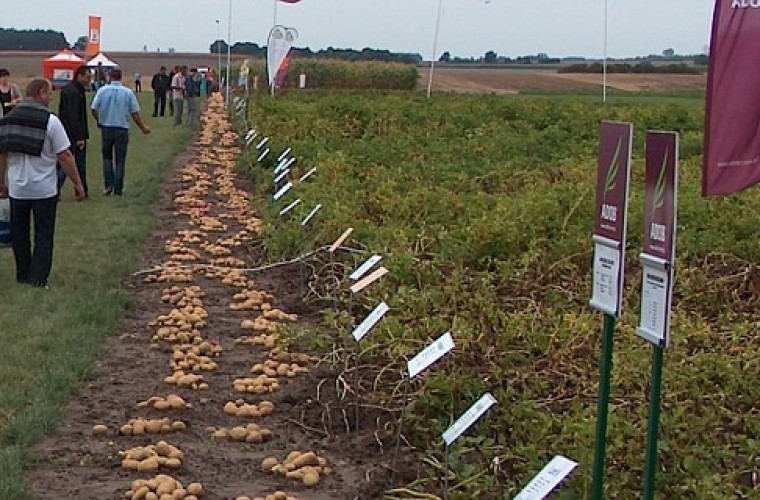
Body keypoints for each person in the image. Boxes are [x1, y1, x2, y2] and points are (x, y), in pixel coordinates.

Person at [0, 78, 85, 288]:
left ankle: (23, 274)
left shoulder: (8, 120)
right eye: (49, 93)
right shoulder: (51, 121)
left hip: (18, 188)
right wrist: (77, 182)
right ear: (40, 93)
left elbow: (2, 155)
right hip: (44, 189)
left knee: (20, 234)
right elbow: (65, 155)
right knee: (43, 235)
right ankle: (38, 278)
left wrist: (1, 181)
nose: (51, 97)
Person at [91, 68, 151, 197]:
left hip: (106, 127)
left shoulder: (102, 91)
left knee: (107, 158)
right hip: (121, 128)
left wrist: (99, 120)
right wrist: (142, 127)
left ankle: (108, 185)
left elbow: (94, 108)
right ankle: (118, 188)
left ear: (109, 77)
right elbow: (134, 113)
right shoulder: (128, 93)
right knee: (120, 159)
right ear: (120, 77)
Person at [57, 65, 90, 199]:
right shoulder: (74, 92)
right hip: (73, 134)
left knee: (68, 164)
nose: (89, 80)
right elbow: (73, 115)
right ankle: (57, 189)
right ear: (80, 76)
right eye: (87, 77)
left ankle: (81, 191)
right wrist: (80, 136)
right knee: (71, 164)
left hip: (65, 132)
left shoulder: (72, 89)